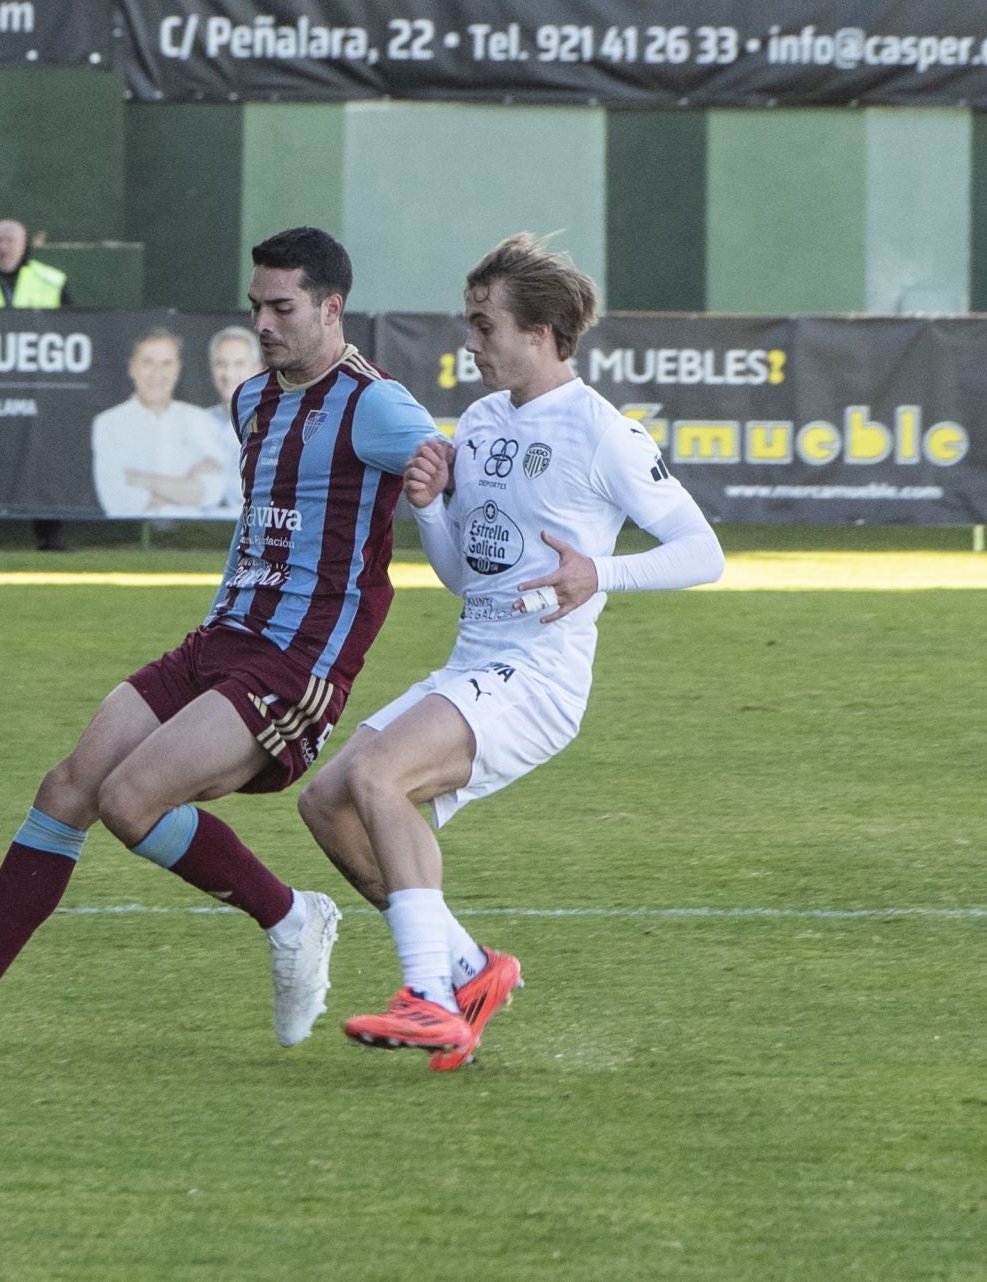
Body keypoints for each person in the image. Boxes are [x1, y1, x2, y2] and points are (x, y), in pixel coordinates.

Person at [0, 227, 445, 1061]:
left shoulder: (374, 404)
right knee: (69, 785)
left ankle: (293, 918)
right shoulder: (254, 400)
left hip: (294, 662)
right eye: (254, 306)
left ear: (331, 308)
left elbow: (454, 469)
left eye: (282, 307)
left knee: (129, 802)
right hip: (220, 637)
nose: (262, 324)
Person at [297, 234, 726, 1071]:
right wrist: (429, 507)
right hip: (478, 656)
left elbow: (703, 552)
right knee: (330, 801)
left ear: (540, 332)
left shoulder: (603, 432)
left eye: (484, 325)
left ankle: (430, 997)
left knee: (381, 779)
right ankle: (468, 970)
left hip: (540, 674)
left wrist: (598, 574)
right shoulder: (485, 421)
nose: (470, 342)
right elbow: (467, 577)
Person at [0, 218, 70, 552]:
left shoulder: (51, 282)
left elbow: (73, 332)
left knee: (44, 464)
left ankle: (49, 535)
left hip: (37, 393)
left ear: (25, 245)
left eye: (10, 240)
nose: (3, 247)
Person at [90, 328, 239, 517]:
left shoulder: (199, 419)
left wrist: (142, 479)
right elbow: (117, 502)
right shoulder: (108, 424)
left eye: (166, 363)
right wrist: (185, 486)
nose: (157, 373)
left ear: (178, 369)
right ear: (132, 367)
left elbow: (212, 493)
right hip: (131, 538)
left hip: (190, 535)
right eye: (148, 363)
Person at [207, 325, 263, 433]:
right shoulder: (199, 422)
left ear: (258, 370)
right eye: (221, 364)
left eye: (239, 364)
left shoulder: (277, 422)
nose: (229, 374)